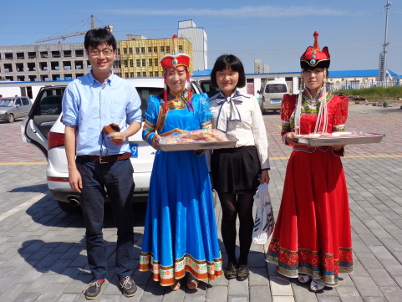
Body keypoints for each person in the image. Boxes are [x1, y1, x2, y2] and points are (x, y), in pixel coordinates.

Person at [266, 31, 353, 291]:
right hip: (301, 166)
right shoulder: (290, 101)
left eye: (317, 71)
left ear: (325, 73)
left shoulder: (338, 102)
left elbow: (339, 139)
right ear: (302, 73)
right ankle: (302, 266)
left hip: (327, 167)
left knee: (325, 215)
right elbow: (285, 135)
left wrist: (339, 143)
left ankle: (323, 271)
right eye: (307, 71)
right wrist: (290, 136)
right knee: (301, 215)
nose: (312, 76)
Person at [62, 28, 141, 300]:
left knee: (125, 221)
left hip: (119, 163)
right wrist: (72, 167)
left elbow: (136, 120)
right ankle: (97, 274)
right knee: (93, 224)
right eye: (95, 51)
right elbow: (69, 129)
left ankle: (125, 272)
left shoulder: (125, 88)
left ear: (114, 54)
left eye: (107, 51)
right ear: (87, 54)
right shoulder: (75, 88)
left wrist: (126, 134)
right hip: (88, 166)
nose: (101, 56)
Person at [139, 35, 222, 291]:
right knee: (169, 213)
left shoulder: (200, 101)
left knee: (192, 214)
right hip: (167, 169)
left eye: (180, 72)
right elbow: (146, 131)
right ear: (165, 76)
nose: (176, 78)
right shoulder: (156, 102)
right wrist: (155, 140)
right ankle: (171, 272)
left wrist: (201, 141)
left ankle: (193, 271)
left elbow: (209, 133)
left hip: (193, 167)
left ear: (188, 73)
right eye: (170, 73)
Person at [209, 54, 270, 281]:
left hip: (247, 159)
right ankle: (230, 260)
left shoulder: (250, 101)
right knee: (228, 212)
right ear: (215, 76)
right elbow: (206, 140)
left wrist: (265, 167)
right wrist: (207, 170)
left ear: (239, 75)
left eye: (231, 72)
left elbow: (260, 135)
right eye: (222, 73)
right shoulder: (208, 103)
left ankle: (243, 260)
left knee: (245, 213)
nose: (227, 77)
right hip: (221, 160)